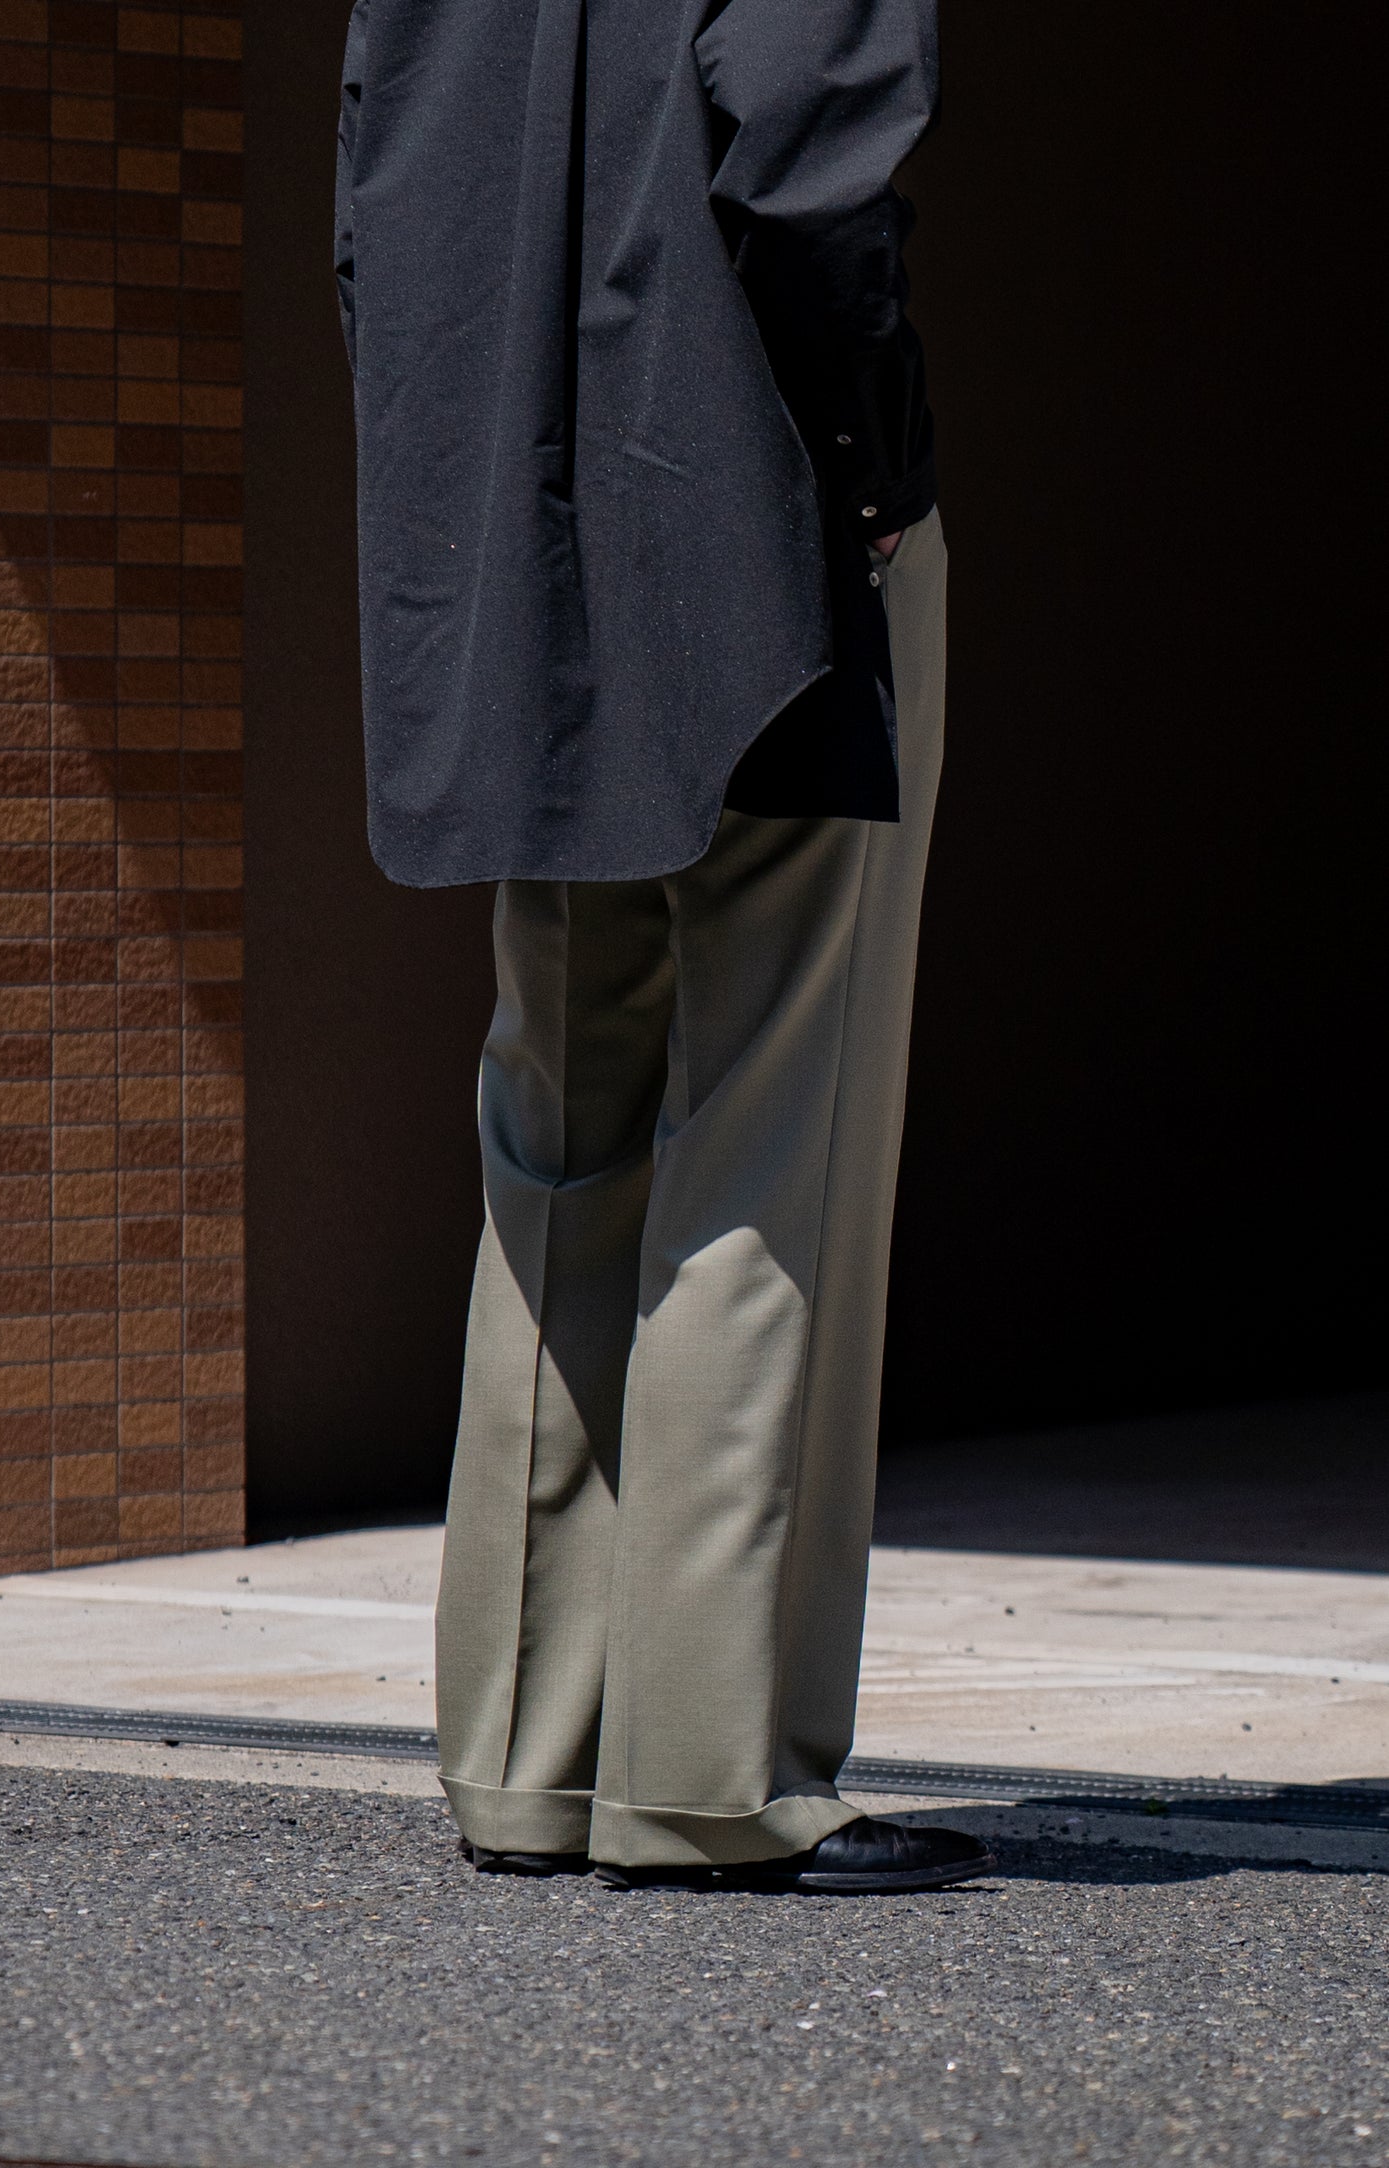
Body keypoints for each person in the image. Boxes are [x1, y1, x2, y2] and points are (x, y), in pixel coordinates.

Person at [334, 0, 994, 1895]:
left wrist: (460, 508)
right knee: (772, 1127)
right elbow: (804, 158)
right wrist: (873, 482)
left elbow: (373, 208)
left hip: (515, 551)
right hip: (757, 543)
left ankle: (524, 1756)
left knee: (559, 1125)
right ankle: (711, 1776)